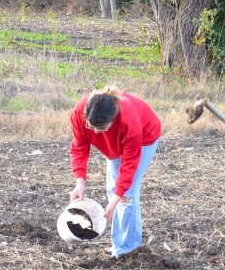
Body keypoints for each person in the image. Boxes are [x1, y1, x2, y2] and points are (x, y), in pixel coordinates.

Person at [69, 86, 161, 257]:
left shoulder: (128, 121)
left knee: (126, 195)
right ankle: (119, 245)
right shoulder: (80, 112)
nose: (96, 132)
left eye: (101, 128)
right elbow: (79, 148)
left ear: (113, 119)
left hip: (145, 137)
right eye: (91, 126)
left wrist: (114, 203)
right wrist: (79, 182)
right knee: (114, 190)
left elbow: (128, 166)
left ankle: (127, 249)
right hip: (114, 144)